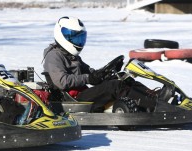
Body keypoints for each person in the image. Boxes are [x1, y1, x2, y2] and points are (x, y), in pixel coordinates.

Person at [42, 16, 174, 112]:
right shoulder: (53, 56)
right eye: (75, 37)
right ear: (62, 35)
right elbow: (61, 82)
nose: (78, 41)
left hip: (83, 94)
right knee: (115, 86)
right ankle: (155, 106)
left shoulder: (71, 55)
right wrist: (89, 78)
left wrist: (102, 74)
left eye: (80, 37)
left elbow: (90, 73)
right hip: (73, 100)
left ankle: (153, 96)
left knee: (122, 78)